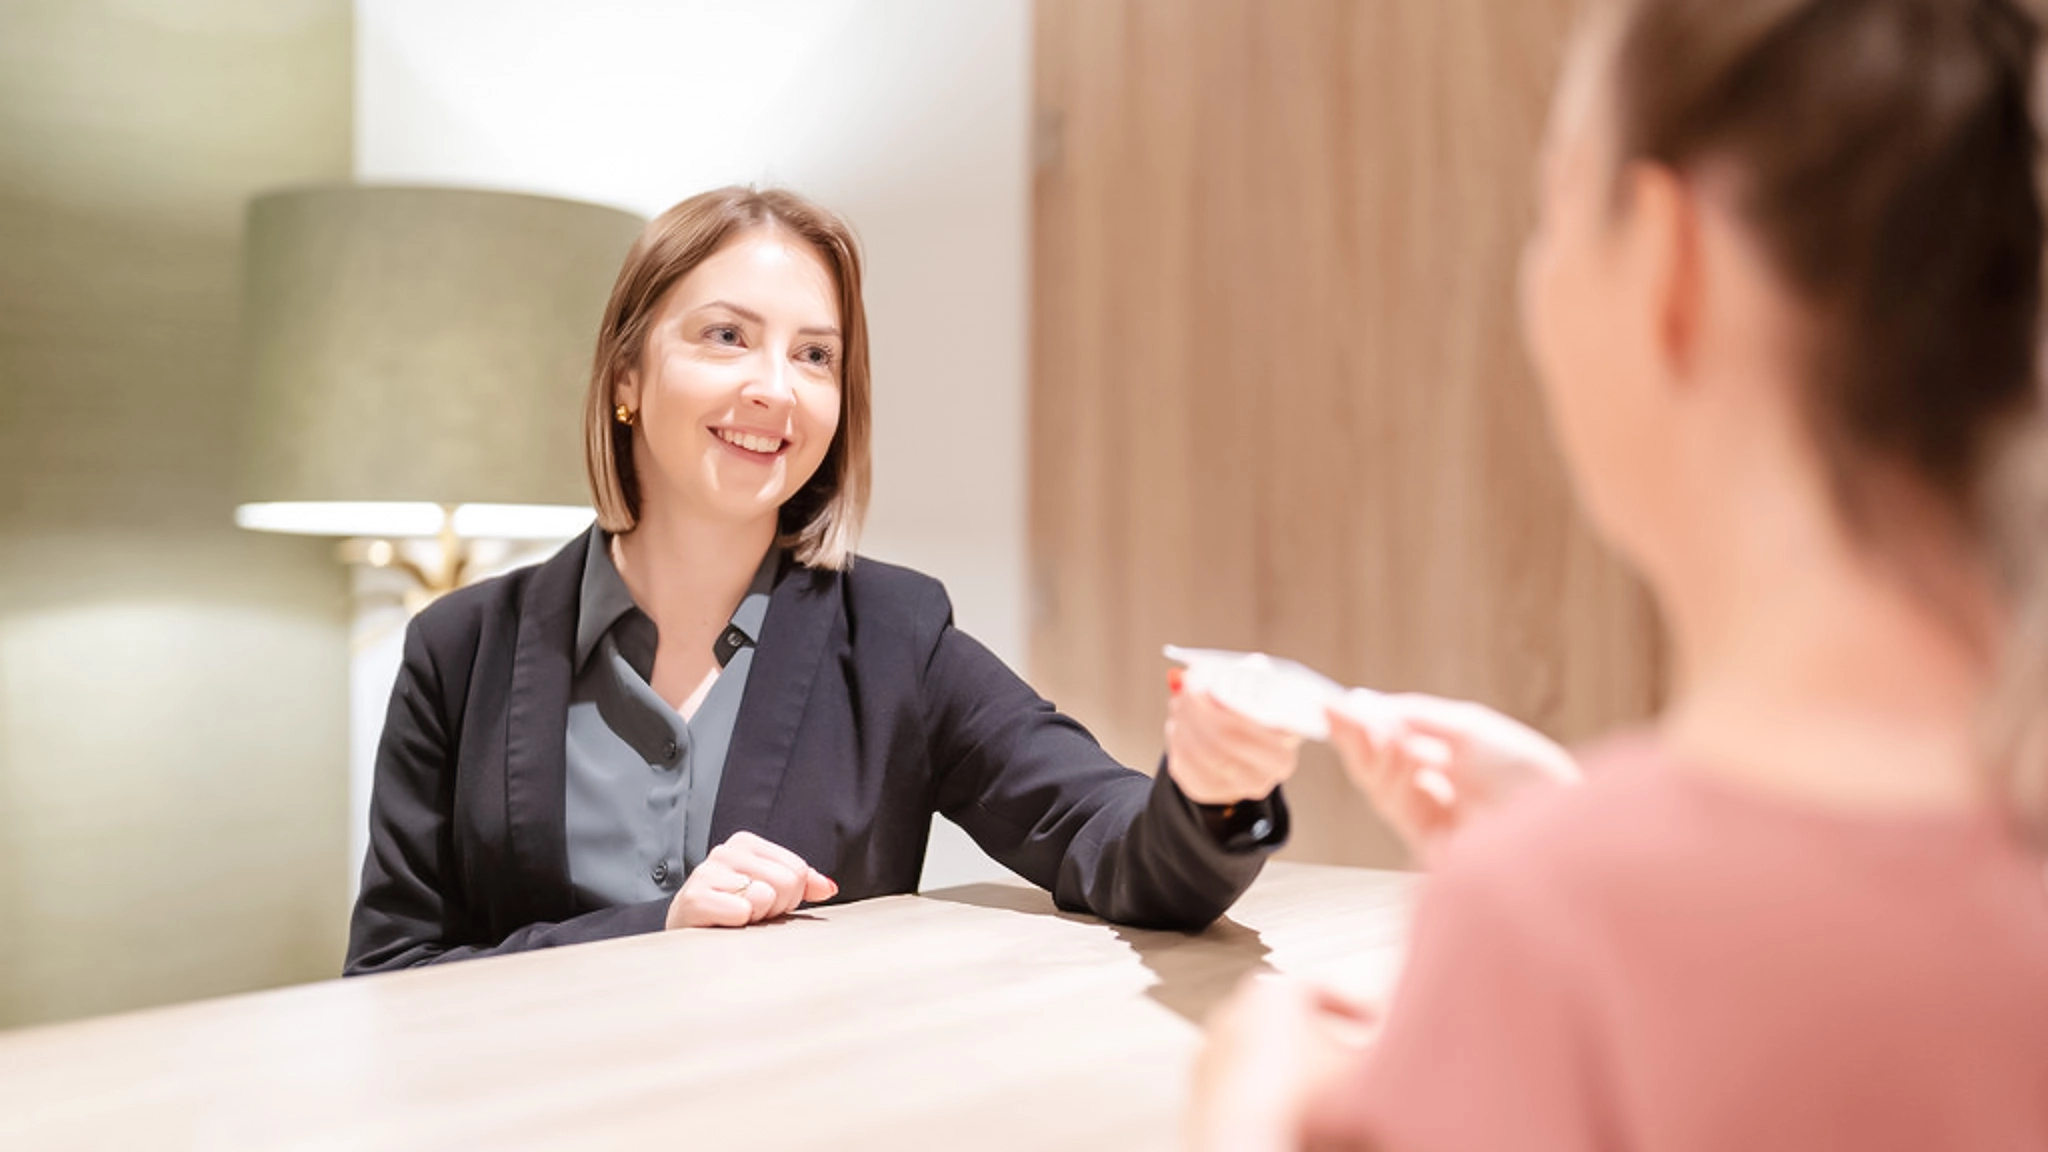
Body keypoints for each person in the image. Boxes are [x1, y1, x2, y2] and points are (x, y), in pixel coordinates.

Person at [1187, 0, 2048, 1147]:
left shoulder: (1540, 928)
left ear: (1664, 258)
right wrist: (1585, 832)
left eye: (1550, 207)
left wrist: (1247, 1108)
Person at [345, 187, 1295, 973]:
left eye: (815, 354)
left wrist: (1213, 795)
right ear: (626, 375)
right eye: (725, 336)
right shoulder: (458, 650)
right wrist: (656, 924)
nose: (777, 387)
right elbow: (388, 979)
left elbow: (1113, 842)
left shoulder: (896, 636)